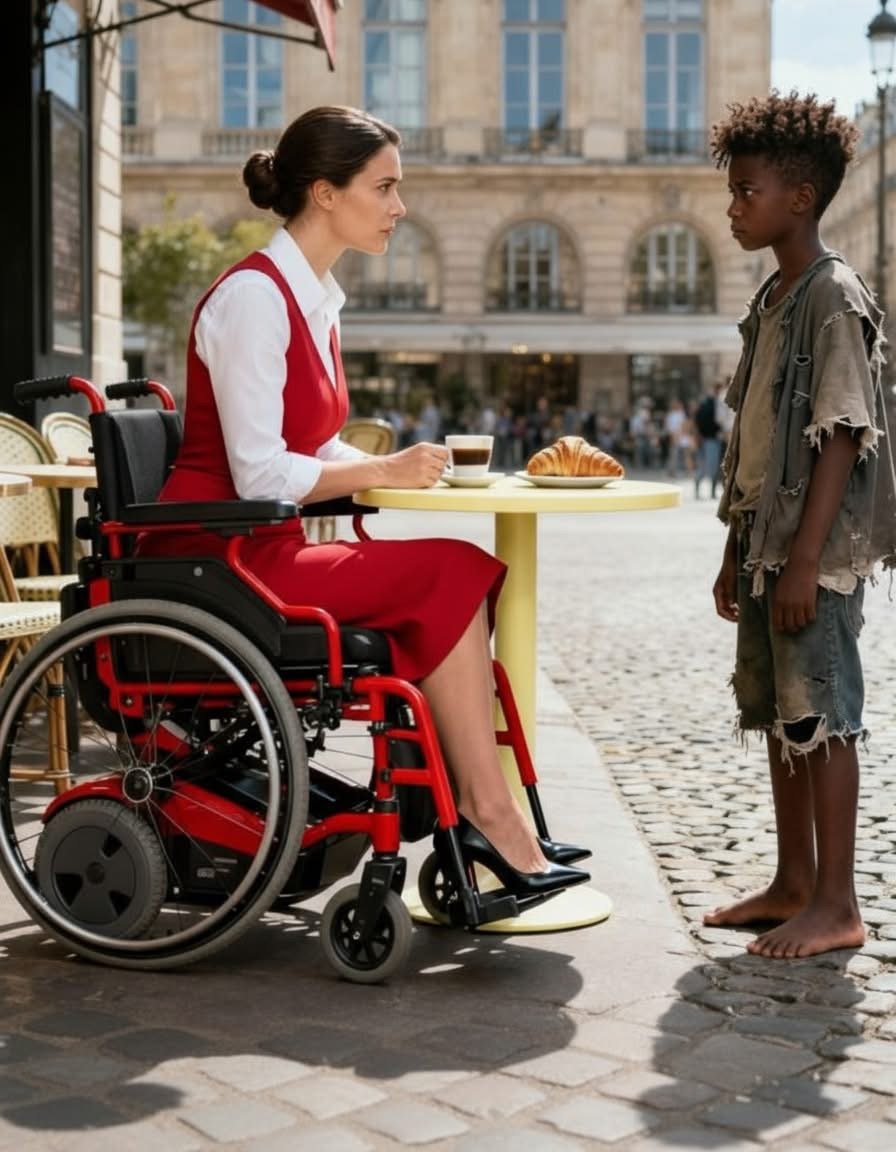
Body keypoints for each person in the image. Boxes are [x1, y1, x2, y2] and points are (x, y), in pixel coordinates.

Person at [148, 105, 589, 894]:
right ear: (324, 192)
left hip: (260, 543)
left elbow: (311, 447)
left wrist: (412, 469)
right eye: (384, 188)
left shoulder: (312, 297)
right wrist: (378, 474)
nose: (400, 207)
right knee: (449, 573)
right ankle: (489, 815)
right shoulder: (253, 299)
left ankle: (478, 814)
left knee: (452, 570)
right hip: (220, 555)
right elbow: (258, 472)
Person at [704, 91, 896, 958]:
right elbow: (753, 435)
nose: (734, 206)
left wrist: (805, 559)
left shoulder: (833, 295)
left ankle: (838, 901)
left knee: (823, 714)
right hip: (766, 549)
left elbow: (845, 430)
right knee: (783, 716)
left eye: (747, 191)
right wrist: (733, 551)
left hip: (812, 557)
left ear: (802, 198)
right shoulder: (774, 298)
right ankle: (791, 882)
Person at [693, 381, 725, 499]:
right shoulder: (711, 403)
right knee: (710, 466)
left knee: (711, 466)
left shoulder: (709, 402)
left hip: (710, 438)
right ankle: (704, 489)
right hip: (710, 438)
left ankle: (709, 490)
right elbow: (700, 419)